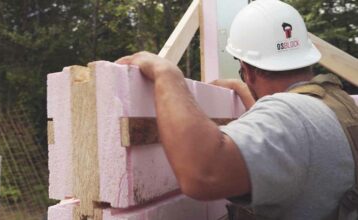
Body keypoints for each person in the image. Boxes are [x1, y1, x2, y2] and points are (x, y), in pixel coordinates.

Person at [116, 0, 358, 219]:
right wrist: (244, 90)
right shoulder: (334, 101)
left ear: (247, 69)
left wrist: (167, 75)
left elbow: (203, 173)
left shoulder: (291, 118)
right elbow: (292, 140)